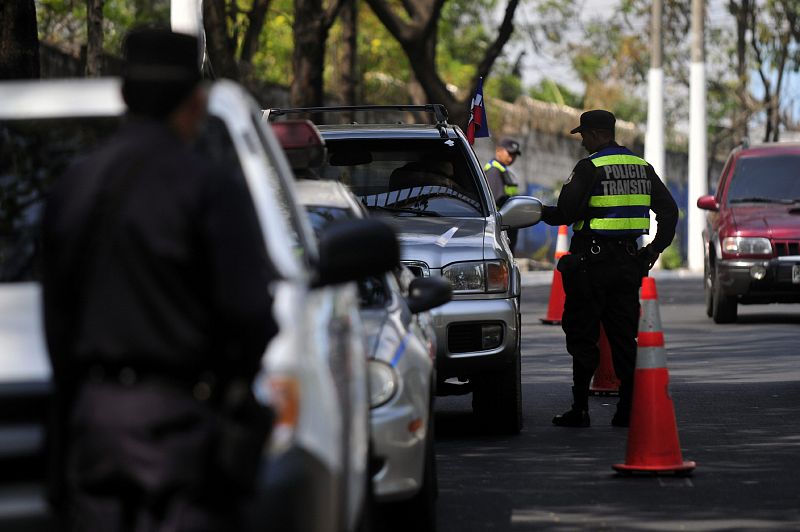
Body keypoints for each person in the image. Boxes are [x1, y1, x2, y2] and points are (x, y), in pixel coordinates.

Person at [42, 28, 276, 531]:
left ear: (125, 97)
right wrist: (228, 393)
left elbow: (57, 326)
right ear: (194, 103)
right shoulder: (208, 188)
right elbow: (251, 315)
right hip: (182, 431)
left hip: (95, 430)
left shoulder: (72, 187)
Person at [541, 109, 678, 428]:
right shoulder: (642, 167)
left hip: (591, 264)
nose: (583, 142)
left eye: (584, 136)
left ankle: (580, 410)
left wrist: (539, 212)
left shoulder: (589, 167)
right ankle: (627, 409)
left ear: (597, 134)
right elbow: (669, 212)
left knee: (582, 334)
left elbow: (566, 212)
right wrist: (655, 249)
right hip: (629, 264)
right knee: (623, 335)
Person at [484, 137, 522, 251]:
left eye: (514, 154)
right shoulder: (494, 171)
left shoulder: (503, 169)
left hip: (507, 224)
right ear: (498, 151)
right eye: (509, 153)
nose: (512, 157)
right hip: (502, 225)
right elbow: (498, 200)